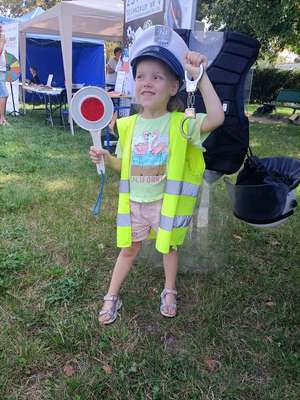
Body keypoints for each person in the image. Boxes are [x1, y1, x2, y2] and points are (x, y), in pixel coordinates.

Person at [89, 26, 224, 325]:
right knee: (129, 250)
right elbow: (123, 165)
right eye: (140, 76)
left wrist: (201, 77)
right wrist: (107, 158)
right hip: (134, 205)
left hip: (165, 205)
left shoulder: (180, 124)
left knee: (168, 248)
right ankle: (111, 295)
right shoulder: (126, 126)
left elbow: (216, 118)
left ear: (174, 86)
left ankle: (169, 288)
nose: (146, 82)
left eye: (156, 76)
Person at [0, 24, 9, 126]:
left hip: (2, 69)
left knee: (3, 94)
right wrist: (2, 42)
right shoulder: (1, 38)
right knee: (4, 94)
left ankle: (2, 118)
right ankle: (2, 118)